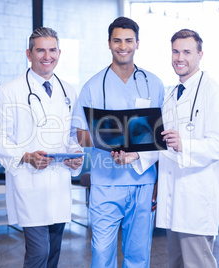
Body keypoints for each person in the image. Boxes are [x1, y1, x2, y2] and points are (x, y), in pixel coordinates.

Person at [121, 29, 219, 268]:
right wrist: (136, 155)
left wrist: (184, 144)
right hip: (173, 199)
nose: (180, 57)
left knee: (197, 263)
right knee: (177, 264)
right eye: (175, 51)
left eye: (187, 52)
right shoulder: (171, 95)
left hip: (196, 199)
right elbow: (162, 141)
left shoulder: (214, 93)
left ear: (200, 55)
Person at [0, 27, 83, 268]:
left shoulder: (68, 90)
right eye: (40, 50)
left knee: (53, 252)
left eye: (52, 50)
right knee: (39, 252)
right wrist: (26, 156)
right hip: (29, 182)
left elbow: (72, 136)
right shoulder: (8, 91)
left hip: (59, 183)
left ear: (59, 53)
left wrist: (75, 155)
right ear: (29, 54)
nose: (47, 56)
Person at [72, 17, 165, 267]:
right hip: (105, 182)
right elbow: (77, 133)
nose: (123, 46)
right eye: (117, 41)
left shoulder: (153, 84)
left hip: (142, 181)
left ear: (137, 43)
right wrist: (106, 141)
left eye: (128, 40)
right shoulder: (92, 86)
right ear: (109, 43)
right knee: (102, 253)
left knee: (138, 253)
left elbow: (163, 136)